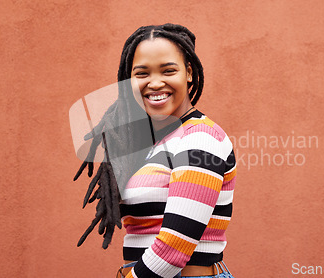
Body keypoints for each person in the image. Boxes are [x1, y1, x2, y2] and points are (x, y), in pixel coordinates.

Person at [74, 23, 236, 278]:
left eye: (168, 70)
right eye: (141, 74)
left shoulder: (201, 139)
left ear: (189, 72)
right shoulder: (151, 143)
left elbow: (174, 248)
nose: (155, 82)